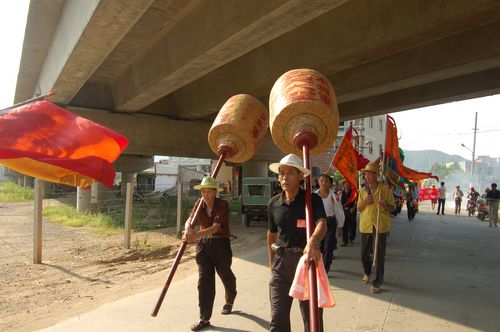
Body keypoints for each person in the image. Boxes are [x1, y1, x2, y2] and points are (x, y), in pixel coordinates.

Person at [267, 154, 327, 332]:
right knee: (277, 322)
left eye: (289, 173)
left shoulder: (311, 200)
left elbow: (322, 223)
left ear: (301, 176)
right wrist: (272, 263)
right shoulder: (273, 204)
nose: (284, 177)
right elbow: (271, 234)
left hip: (306, 263)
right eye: (281, 173)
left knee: (312, 321)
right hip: (281, 264)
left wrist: (314, 241)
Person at [183, 177, 237, 331]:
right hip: (203, 247)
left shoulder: (222, 205)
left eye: (209, 191)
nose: (205, 195)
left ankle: (230, 298)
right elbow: (190, 220)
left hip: (220, 244)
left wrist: (196, 235)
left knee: (225, 273)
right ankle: (204, 318)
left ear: (215, 192)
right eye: (203, 191)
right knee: (204, 281)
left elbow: (215, 228)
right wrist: (188, 229)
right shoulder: (199, 204)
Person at [357, 162, 395, 294]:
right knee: (363, 254)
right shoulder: (362, 191)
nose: (366, 176)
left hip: (380, 226)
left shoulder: (385, 190)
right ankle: (367, 272)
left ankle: (376, 282)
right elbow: (359, 208)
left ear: (375, 175)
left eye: (369, 174)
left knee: (378, 256)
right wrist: (365, 201)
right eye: (365, 174)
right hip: (366, 226)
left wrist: (384, 205)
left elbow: (393, 207)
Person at [314, 174, 345, 272]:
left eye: (326, 181)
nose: (324, 183)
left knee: (329, 246)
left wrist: (340, 227)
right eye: (322, 180)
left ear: (330, 183)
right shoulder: (314, 196)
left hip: (330, 223)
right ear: (318, 182)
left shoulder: (334, 196)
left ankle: (325, 270)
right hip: (318, 223)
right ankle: (320, 265)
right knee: (320, 246)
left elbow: (339, 212)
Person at [340, 180, 357, 246]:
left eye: (348, 185)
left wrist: (354, 208)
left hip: (352, 211)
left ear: (350, 186)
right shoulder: (341, 193)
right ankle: (345, 241)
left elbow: (356, 202)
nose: (347, 186)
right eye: (345, 185)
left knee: (352, 225)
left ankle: (351, 238)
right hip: (344, 211)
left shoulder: (353, 193)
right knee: (344, 226)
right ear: (343, 186)